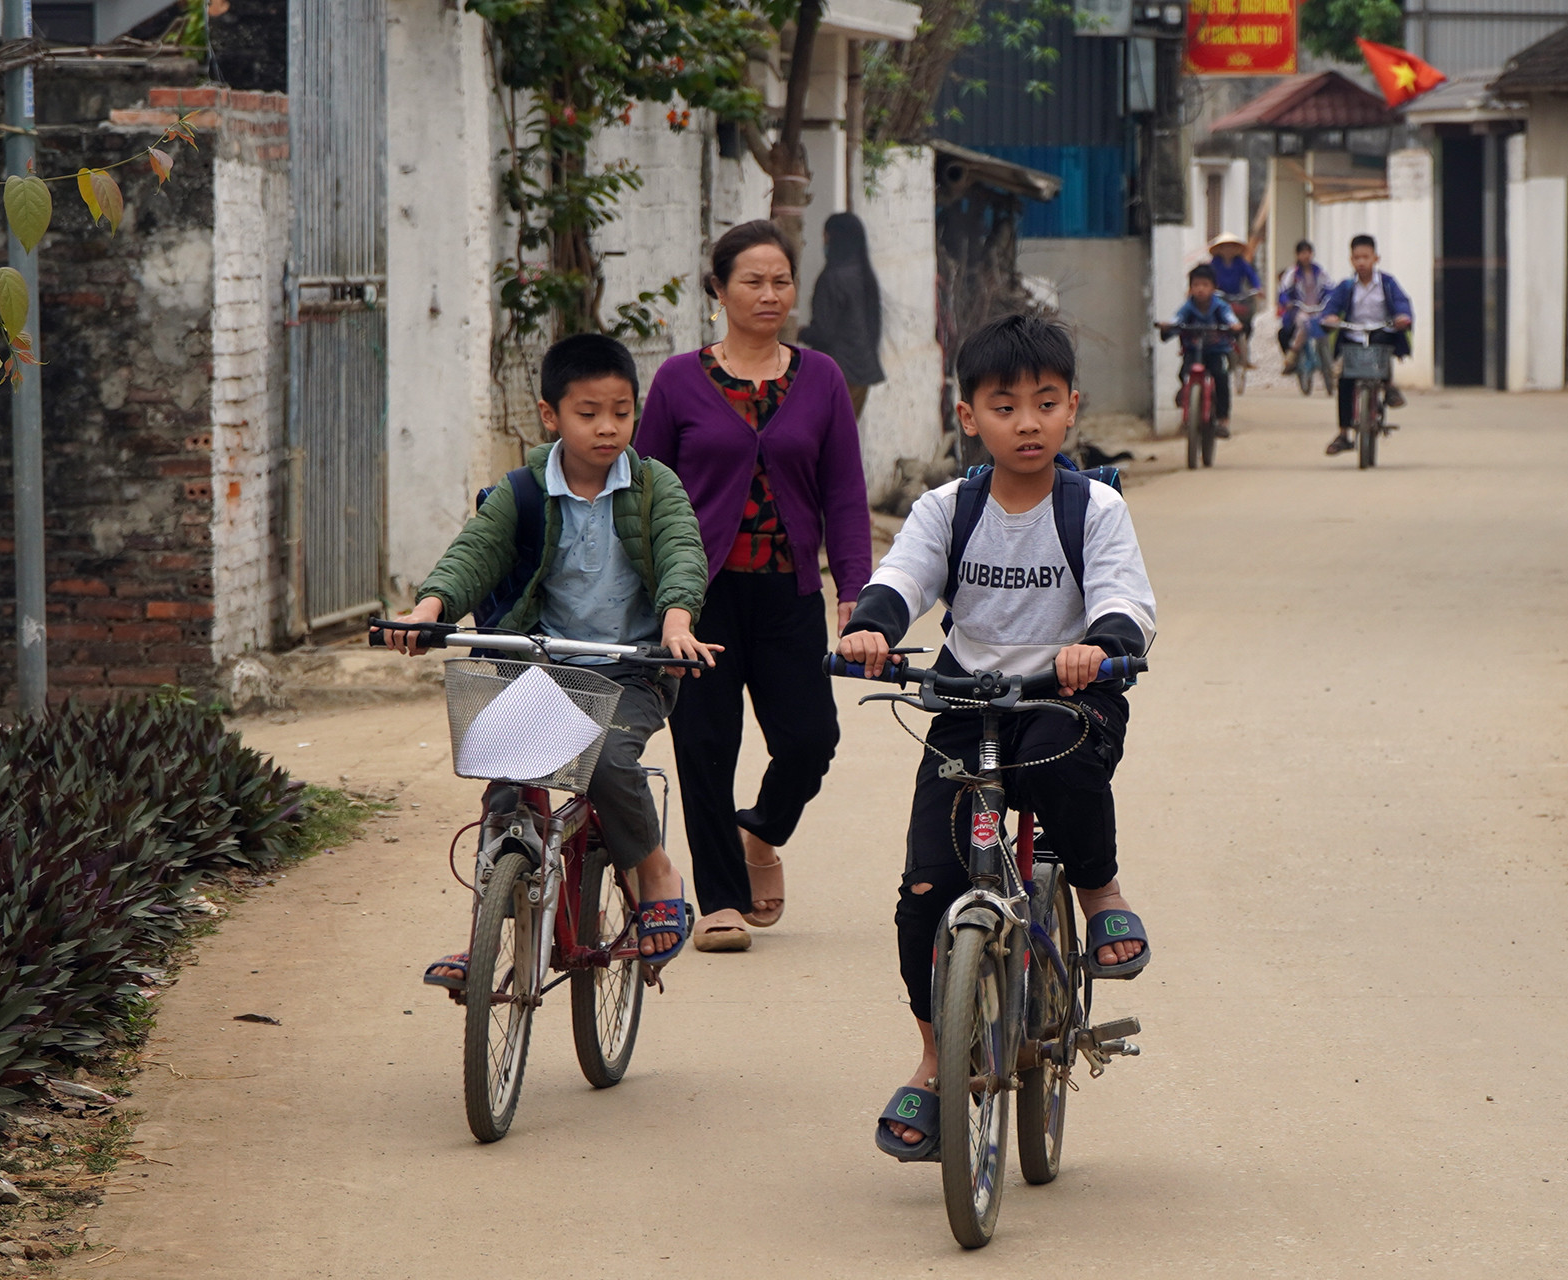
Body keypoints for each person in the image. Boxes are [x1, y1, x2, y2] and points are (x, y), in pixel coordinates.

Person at [835, 313, 1156, 1159]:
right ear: (967, 414)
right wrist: (872, 625)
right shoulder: (950, 507)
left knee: (1058, 770)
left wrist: (1105, 644)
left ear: (1072, 409)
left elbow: (1126, 598)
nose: (1027, 421)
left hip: (1067, 695)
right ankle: (937, 1059)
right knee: (922, 891)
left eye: (1045, 404)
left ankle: (1099, 894)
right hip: (967, 703)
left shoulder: (1095, 508)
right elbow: (902, 576)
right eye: (1005, 405)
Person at [377, 334, 723, 986]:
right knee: (505, 791)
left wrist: (677, 619)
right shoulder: (522, 492)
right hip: (535, 667)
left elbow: (682, 550)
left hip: (630, 670)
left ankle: (655, 873)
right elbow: (474, 552)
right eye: (588, 412)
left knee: (611, 759)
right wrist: (428, 608)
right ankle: (483, 940)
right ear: (550, 414)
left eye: (621, 411)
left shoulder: (654, 486)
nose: (607, 427)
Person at [637, 220, 873, 953]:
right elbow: (643, 490)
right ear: (719, 289)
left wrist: (855, 592)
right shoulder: (679, 380)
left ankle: (761, 830)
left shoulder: (823, 378)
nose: (769, 294)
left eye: (781, 281)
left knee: (811, 737)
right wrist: (647, 593)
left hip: (789, 592)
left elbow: (844, 494)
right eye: (752, 281)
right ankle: (720, 903)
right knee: (704, 744)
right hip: (698, 599)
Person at [1320, 233, 1413, 456]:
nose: (1361, 262)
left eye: (1366, 257)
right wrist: (1330, 317)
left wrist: (1402, 316)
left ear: (1375, 258)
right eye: (1356, 258)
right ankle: (1343, 433)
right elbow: (1331, 306)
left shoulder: (1387, 284)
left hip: (1382, 331)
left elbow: (1402, 303)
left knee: (1383, 345)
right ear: (1351, 260)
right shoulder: (1346, 286)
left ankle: (1388, 386)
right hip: (1354, 335)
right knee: (1345, 382)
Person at [798, 212, 886, 417]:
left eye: (826, 238)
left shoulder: (831, 279)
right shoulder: (863, 275)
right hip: (862, 373)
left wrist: (800, 332)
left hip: (837, 372)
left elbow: (824, 333)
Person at [1159, 262, 1242, 437]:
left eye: (1205, 285)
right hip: (1193, 351)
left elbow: (1230, 318)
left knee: (1221, 378)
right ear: (1190, 288)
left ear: (1213, 287)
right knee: (1184, 373)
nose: (1200, 289)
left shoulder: (1220, 306)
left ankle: (1222, 420)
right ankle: (1188, 411)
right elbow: (1177, 318)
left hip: (1216, 351)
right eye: (1196, 285)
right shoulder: (1188, 307)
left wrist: (1234, 325)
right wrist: (1168, 325)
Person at [1275, 239, 1330, 372]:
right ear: (1297, 255)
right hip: (1300, 309)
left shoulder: (1319, 271)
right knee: (1304, 323)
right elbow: (1282, 291)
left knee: (1326, 326)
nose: (1306, 256)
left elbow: (1329, 286)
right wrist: (1286, 302)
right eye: (1302, 253)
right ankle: (1293, 353)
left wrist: (1330, 298)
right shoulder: (1292, 273)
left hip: (1317, 307)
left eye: (1308, 252)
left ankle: (1329, 361)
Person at [1208, 232, 1263, 365]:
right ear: (1220, 249)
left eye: (1231, 246)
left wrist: (1258, 288)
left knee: (1246, 324)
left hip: (1238, 297)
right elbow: (1208, 276)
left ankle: (1243, 353)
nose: (1228, 250)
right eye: (1225, 247)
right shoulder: (1215, 263)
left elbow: (1251, 276)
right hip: (1220, 297)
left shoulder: (1240, 263)